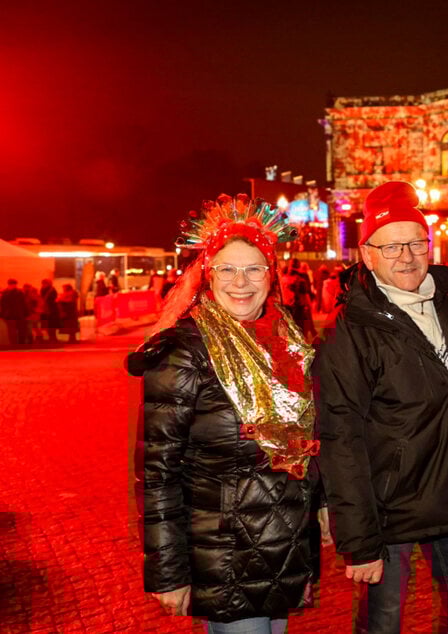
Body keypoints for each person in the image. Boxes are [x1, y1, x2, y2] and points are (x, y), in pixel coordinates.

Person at [127, 193, 322, 633]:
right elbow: (158, 471)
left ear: (272, 274)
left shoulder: (286, 340)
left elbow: (305, 443)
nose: (241, 282)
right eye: (227, 269)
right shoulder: (183, 351)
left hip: (281, 546)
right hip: (224, 553)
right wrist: (170, 572)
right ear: (206, 275)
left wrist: (321, 508)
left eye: (254, 268)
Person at [317, 181, 448, 634]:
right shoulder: (351, 327)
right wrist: (360, 538)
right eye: (391, 246)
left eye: (415, 242)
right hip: (390, 507)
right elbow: (340, 433)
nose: (406, 256)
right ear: (367, 255)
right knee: (383, 623)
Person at [1, 279, 30, 345]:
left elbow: (3, 305)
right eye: (12, 284)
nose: (13, 285)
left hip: (11, 315)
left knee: (13, 331)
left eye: (13, 284)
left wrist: (2, 315)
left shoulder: (5, 293)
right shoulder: (19, 293)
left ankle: (14, 344)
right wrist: (26, 314)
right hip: (18, 314)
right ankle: (20, 344)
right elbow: (24, 304)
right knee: (19, 330)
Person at [39, 278, 60, 343]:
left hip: (49, 310)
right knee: (50, 325)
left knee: (51, 324)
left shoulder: (48, 290)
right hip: (49, 309)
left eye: (45, 283)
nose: (43, 284)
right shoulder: (49, 289)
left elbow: (51, 299)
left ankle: (52, 338)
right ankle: (52, 338)